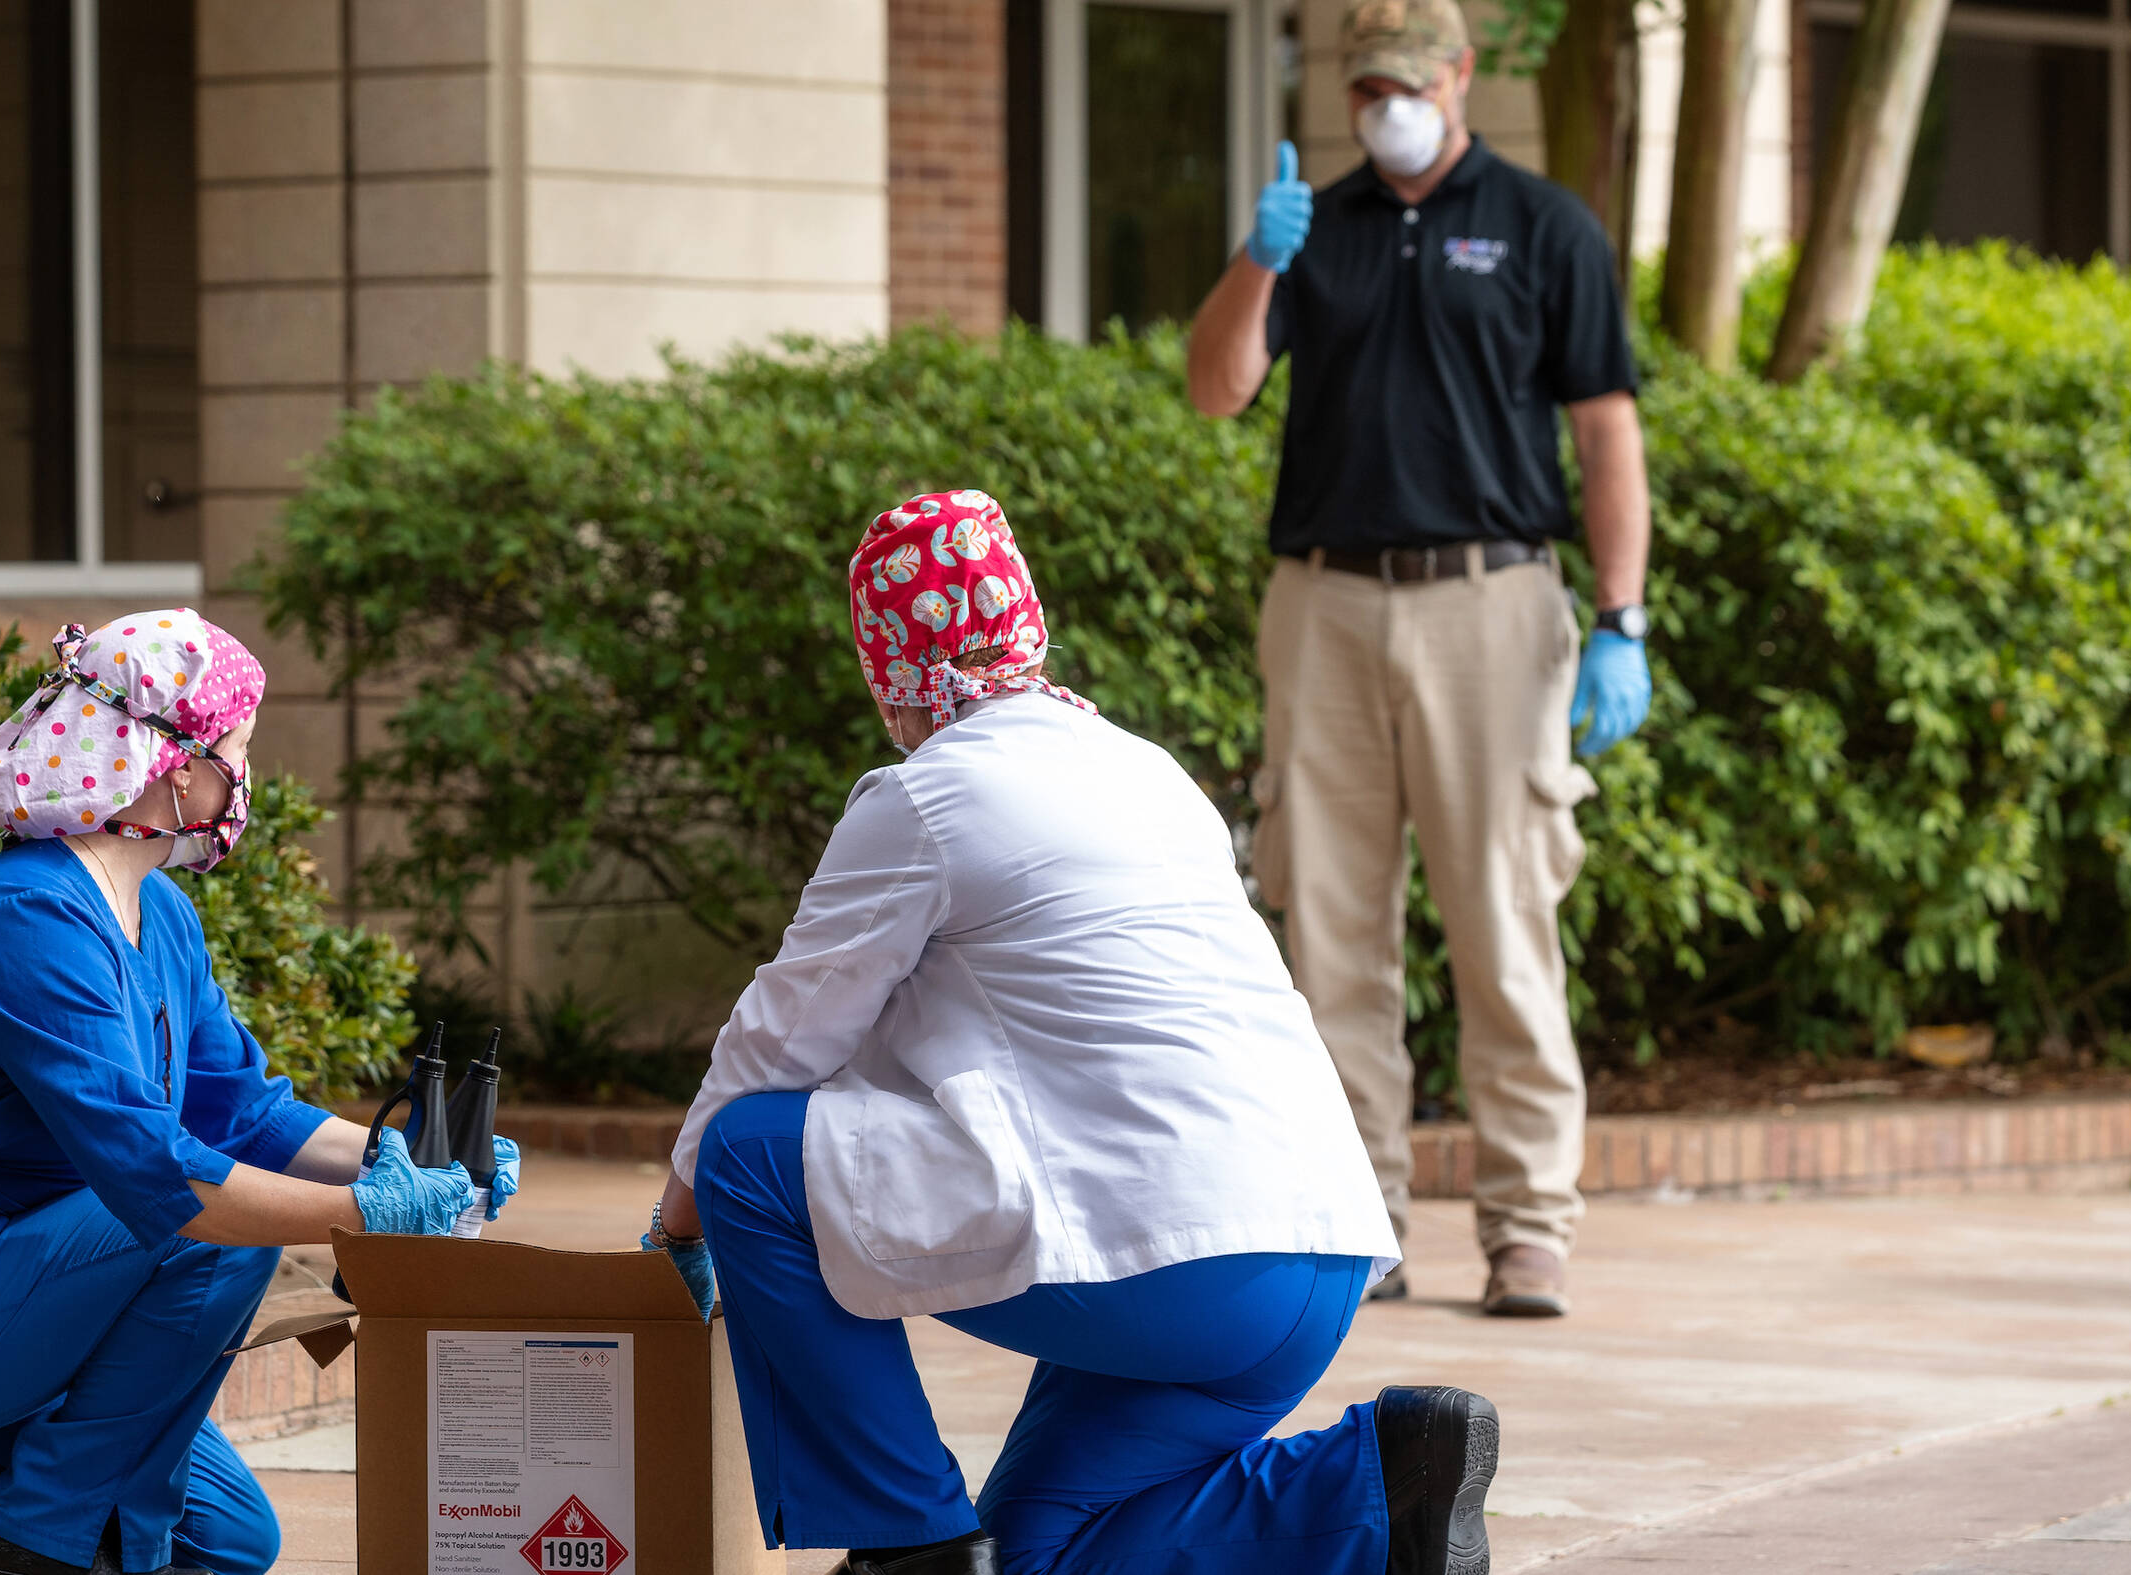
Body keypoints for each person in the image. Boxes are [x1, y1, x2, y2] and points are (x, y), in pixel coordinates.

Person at [643, 490, 1498, 1575]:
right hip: (1314, 1252)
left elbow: (777, 1041)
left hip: (1176, 1269)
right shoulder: (1144, 769)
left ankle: (904, 1550)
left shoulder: (929, 796)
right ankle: (1384, 1484)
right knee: (1043, 1553)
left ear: (888, 674)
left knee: (748, 1158)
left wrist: (677, 1232)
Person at [0, 612, 515, 1575]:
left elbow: (242, 1110)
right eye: (239, 749)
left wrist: (413, 1162)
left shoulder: (159, 911)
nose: (249, 777)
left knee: (231, 1538)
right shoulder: (26, 915)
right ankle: (28, 1546)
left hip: (20, 1281)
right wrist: (358, 1215)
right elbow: (160, 1178)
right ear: (174, 767)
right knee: (213, 1236)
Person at [1183, 0, 1653, 1317]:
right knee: (1332, 929)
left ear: (1458, 77)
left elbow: (1608, 432)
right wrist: (1256, 262)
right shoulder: (1312, 226)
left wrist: (1624, 619)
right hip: (1324, 603)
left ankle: (1528, 1227)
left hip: (1491, 605)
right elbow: (1215, 386)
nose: (1386, 100)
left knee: (1505, 922)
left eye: (1408, 78)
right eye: (1365, 83)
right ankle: (1361, 1216)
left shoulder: (1547, 227)